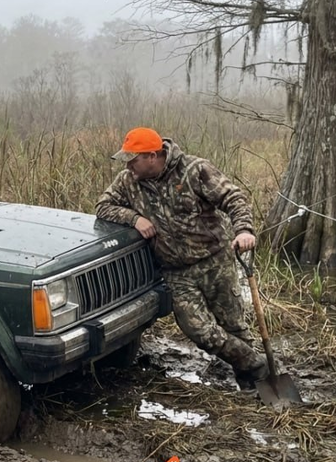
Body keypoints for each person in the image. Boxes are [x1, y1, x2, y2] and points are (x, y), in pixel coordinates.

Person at [95, 127, 269, 391]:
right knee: (200, 332)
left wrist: (244, 230)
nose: (128, 166)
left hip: (215, 261)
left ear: (152, 156)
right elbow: (103, 206)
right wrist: (134, 218)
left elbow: (233, 198)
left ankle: (253, 384)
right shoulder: (127, 181)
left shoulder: (195, 170)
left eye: (133, 160)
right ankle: (258, 365)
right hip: (176, 271)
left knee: (233, 327)